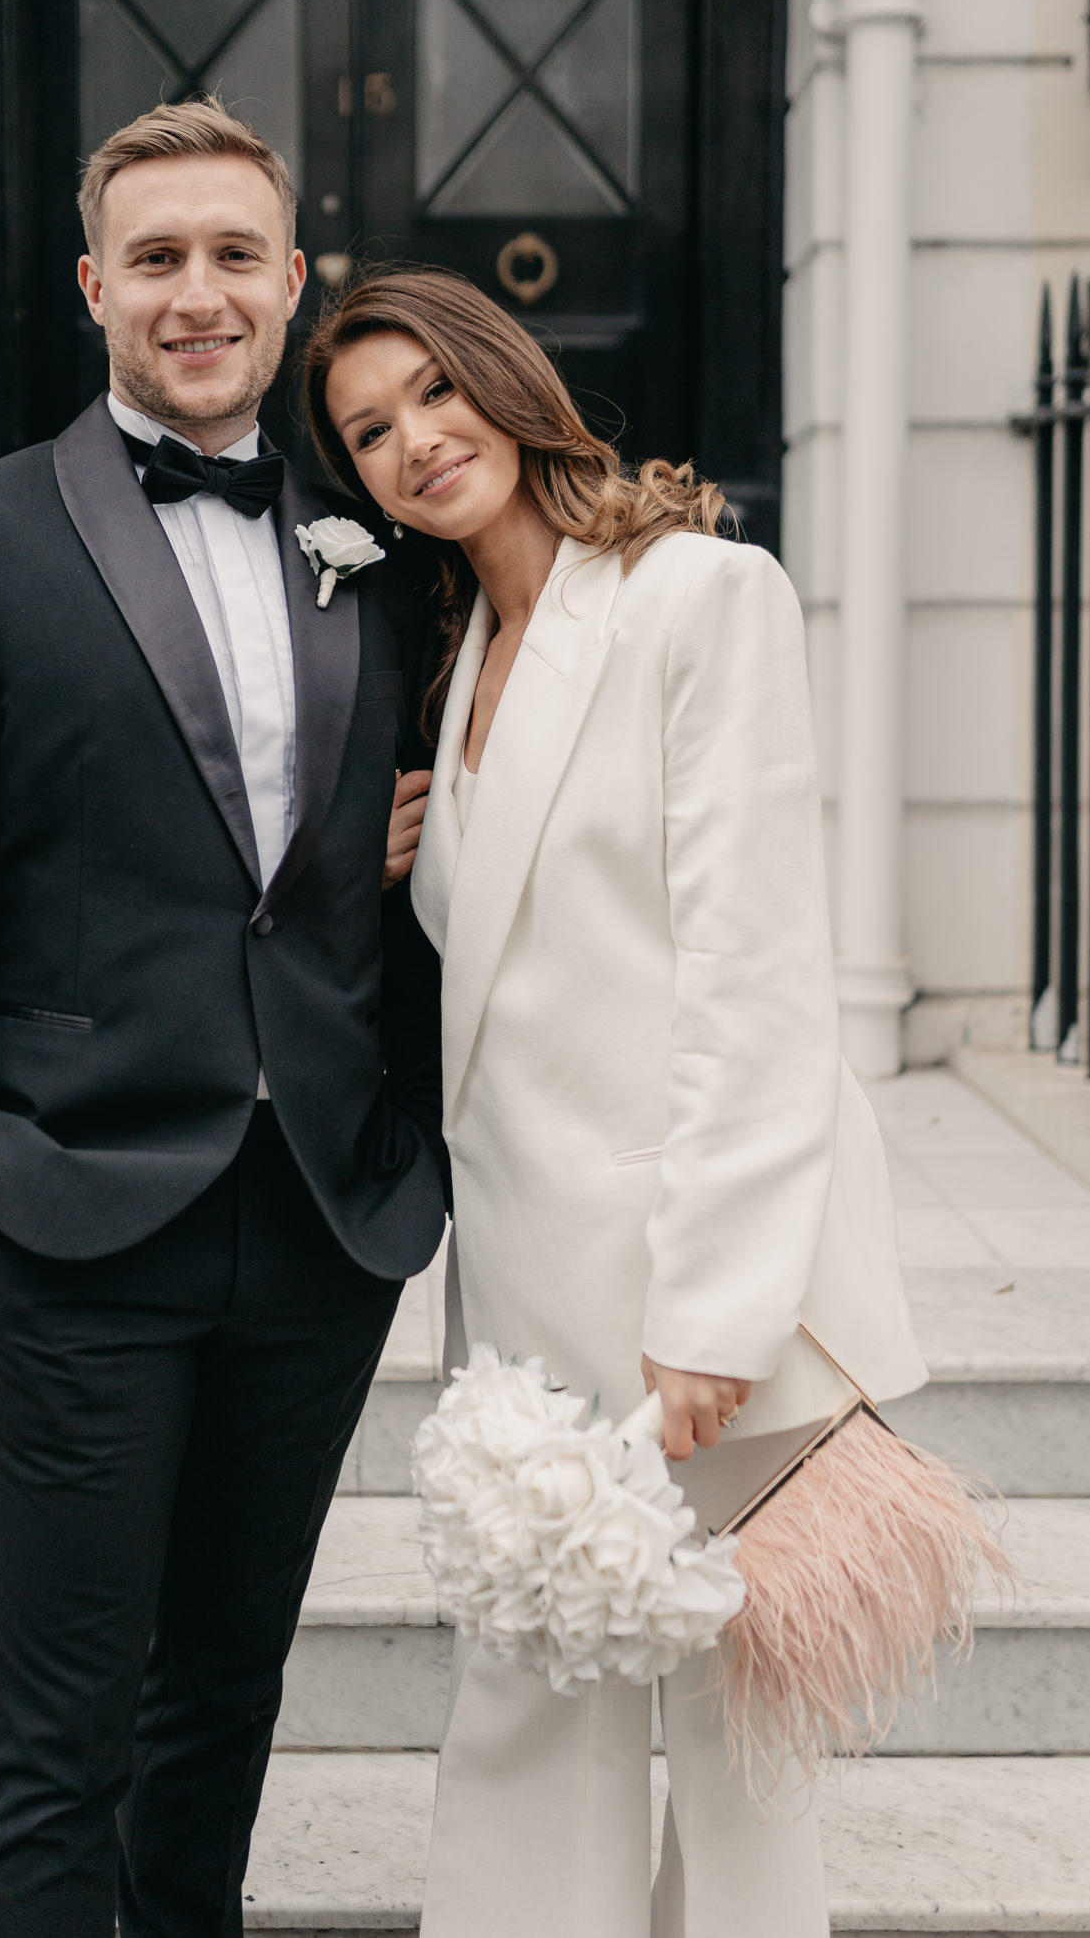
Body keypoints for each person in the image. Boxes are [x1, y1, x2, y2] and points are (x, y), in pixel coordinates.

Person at [0, 102, 448, 1938]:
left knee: (223, 1709)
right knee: (58, 1728)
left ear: (292, 283)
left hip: (321, 1220)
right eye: (158, 258)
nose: (200, 293)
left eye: (235, 255)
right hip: (66, 1216)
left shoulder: (378, 538)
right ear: (96, 284)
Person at [301, 268, 929, 1938]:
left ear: (504, 380)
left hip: (703, 1298)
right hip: (523, 1306)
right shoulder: (448, 669)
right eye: (370, 430)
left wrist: (715, 1315)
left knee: (738, 1758)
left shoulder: (695, 597)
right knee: (524, 1731)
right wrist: (383, 875)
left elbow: (758, 975)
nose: (414, 441)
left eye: (435, 391)